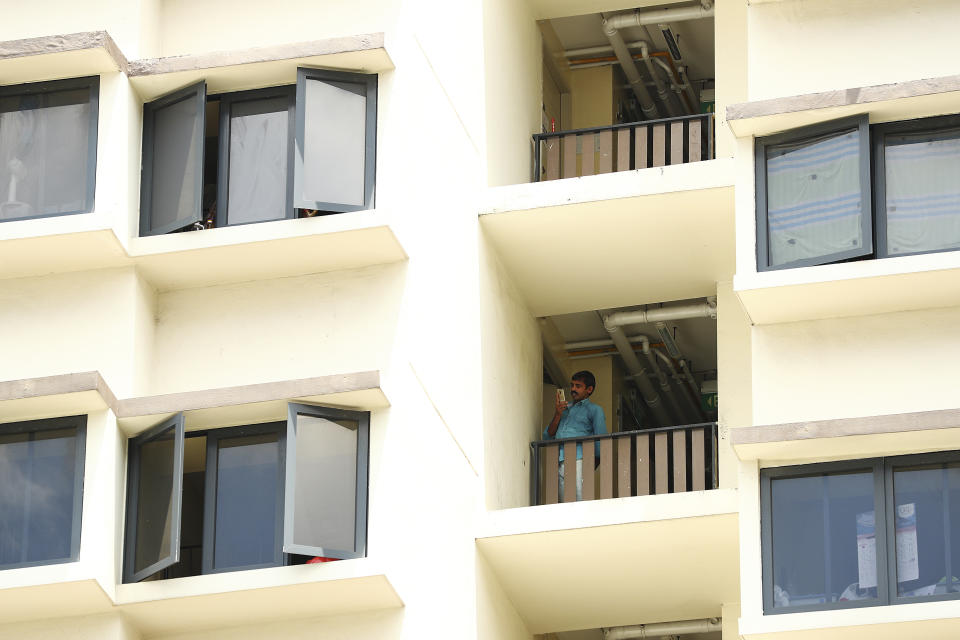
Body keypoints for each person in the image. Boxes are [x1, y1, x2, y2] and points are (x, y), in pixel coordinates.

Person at [542, 370, 606, 501]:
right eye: (572, 385)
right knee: (564, 502)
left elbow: (601, 440)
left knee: (579, 499)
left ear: (589, 389)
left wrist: (592, 464)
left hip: (580, 459)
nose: (573, 389)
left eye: (578, 386)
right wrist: (558, 414)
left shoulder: (595, 410)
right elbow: (548, 436)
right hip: (560, 460)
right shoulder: (564, 408)